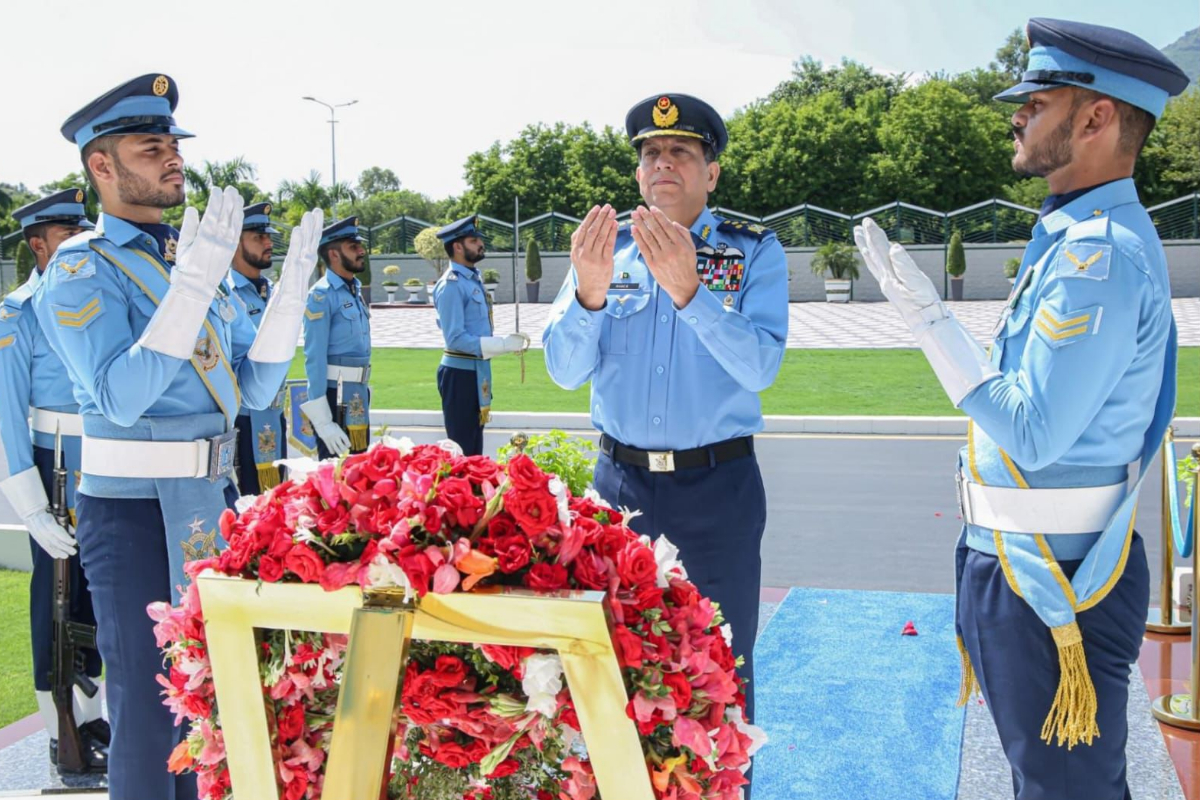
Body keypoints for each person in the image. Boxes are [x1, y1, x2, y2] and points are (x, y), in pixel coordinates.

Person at [854, 19, 1188, 800]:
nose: (1017, 114)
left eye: (1038, 102)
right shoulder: (1071, 236)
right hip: (1023, 560)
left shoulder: (1095, 252)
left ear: (1098, 118)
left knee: (1065, 788)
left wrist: (929, 324)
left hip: (1054, 581)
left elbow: (1034, 434)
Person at [32, 73, 324, 800]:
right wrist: (190, 289)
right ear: (102, 166)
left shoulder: (189, 257)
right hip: (131, 510)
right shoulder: (80, 266)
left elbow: (252, 392)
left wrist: (287, 300)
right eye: (150, 144)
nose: (173, 157)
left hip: (209, 497)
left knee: (210, 695)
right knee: (146, 706)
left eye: (173, 144)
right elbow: (120, 398)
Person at [542, 93, 788, 744]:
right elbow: (564, 371)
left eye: (682, 151)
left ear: (712, 173)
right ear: (637, 173)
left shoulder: (752, 252)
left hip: (717, 493)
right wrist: (589, 293)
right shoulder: (604, 250)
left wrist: (691, 293)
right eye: (651, 152)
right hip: (620, 490)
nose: (664, 163)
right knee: (615, 664)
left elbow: (761, 367)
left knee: (720, 671)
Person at [0, 189, 108, 773]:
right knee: (56, 596)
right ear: (37, 245)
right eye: (67, 236)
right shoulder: (17, 312)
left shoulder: (95, 295)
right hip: (55, 463)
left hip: (105, 459)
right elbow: (6, 417)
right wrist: (32, 510)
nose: (79, 245)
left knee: (97, 592)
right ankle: (56, 724)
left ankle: (91, 713)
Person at [432, 214, 528, 455]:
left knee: (475, 449)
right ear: (457, 246)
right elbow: (455, 338)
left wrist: (503, 345)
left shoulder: (472, 280)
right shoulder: (451, 284)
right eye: (474, 240)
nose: (480, 244)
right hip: (460, 373)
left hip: (477, 370)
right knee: (463, 451)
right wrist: (502, 345)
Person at [227, 202, 287, 493]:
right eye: (257, 236)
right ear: (234, 241)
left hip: (275, 414)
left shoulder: (273, 293)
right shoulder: (223, 293)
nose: (268, 242)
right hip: (240, 420)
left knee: (277, 500)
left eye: (268, 235)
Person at [301, 216, 372, 458]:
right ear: (333, 254)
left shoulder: (353, 289)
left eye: (359, 245)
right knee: (336, 478)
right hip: (335, 396)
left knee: (361, 475)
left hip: (357, 393)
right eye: (353, 247)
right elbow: (314, 357)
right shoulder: (321, 295)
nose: (361, 251)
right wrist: (323, 422)